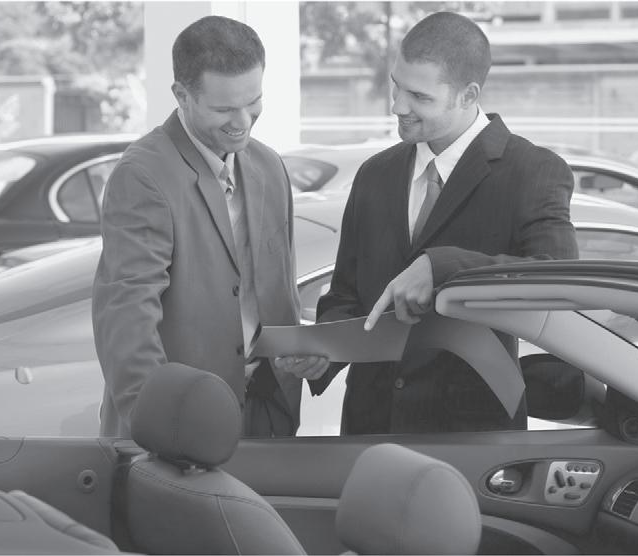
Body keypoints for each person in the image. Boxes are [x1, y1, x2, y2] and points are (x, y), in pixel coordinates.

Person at [308, 11, 579, 435]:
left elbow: (558, 281)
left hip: (472, 438)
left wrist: (444, 267)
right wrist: (321, 349)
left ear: (468, 95)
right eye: (396, 86)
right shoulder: (374, 174)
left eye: (419, 96)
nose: (397, 106)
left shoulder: (533, 171)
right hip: (369, 431)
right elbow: (347, 295)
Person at [92, 15, 327, 439]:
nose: (243, 121)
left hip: (268, 415)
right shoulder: (142, 175)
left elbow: (277, 296)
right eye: (223, 109)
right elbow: (127, 321)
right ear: (182, 96)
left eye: (253, 101)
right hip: (180, 428)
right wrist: (163, 427)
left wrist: (304, 351)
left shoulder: (269, 165)